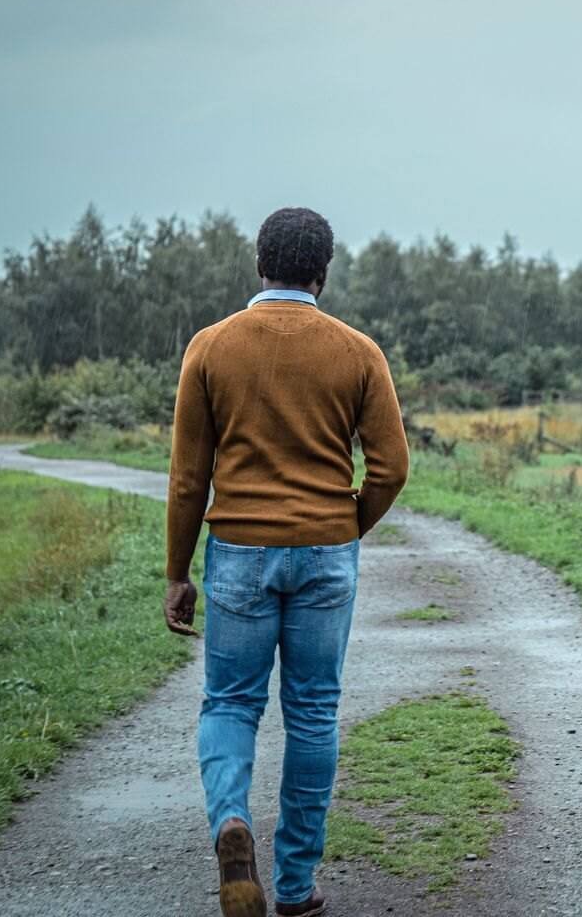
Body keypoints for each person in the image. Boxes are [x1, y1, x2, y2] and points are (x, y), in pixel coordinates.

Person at [162, 207, 410, 917]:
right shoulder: (358, 351)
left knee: (231, 701)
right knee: (313, 710)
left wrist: (178, 572)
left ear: (258, 264)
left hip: (238, 553)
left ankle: (231, 822)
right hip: (327, 555)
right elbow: (391, 467)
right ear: (322, 273)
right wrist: (343, 525)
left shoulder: (211, 347)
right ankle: (296, 885)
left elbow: (188, 478)